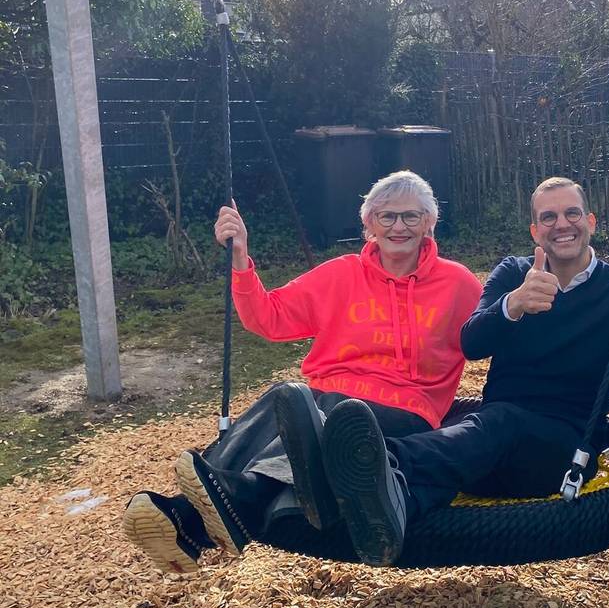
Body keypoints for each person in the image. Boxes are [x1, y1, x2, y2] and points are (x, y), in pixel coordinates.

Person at [278, 176, 609, 566]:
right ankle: (392, 504)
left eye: (572, 213)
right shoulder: (515, 274)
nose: (562, 224)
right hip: (493, 450)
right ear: (536, 231)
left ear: (589, 221)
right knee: (468, 440)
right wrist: (513, 305)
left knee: (494, 423)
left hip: (563, 449)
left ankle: (373, 465)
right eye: (547, 217)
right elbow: (471, 344)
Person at [122, 170, 482, 574]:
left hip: (404, 409)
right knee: (286, 397)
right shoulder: (339, 274)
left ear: (430, 223)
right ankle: (189, 519)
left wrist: (525, 306)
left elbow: (493, 335)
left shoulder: (458, 284)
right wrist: (240, 258)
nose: (399, 227)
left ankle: (211, 508)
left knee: (326, 414)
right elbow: (269, 318)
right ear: (369, 224)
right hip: (322, 398)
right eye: (388, 216)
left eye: (412, 217)